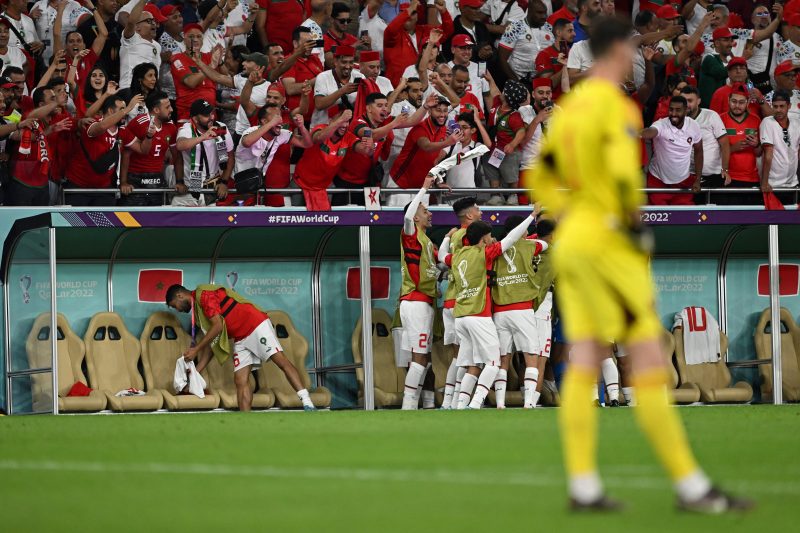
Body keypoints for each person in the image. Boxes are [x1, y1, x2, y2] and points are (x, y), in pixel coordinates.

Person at [531, 15, 750, 512]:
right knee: (646, 358)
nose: (635, 58)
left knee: (585, 359)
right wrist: (625, 226)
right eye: (631, 51)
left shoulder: (568, 110)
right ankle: (691, 487)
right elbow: (622, 183)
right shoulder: (615, 108)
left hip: (577, 244)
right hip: (610, 247)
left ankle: (584, 486)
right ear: (615, 53)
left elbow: (543, 179)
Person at [439, 205, 540, 410]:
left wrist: (447, 238)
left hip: (460, 317)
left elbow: (441, 255)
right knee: (493, 363)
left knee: (472, 364)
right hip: (479, 315)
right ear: (483, 238)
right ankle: (475, 403)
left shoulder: (457, 255)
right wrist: (531, 216)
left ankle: (460, 405)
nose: (491, 238)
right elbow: (512, 239)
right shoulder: (485, 253)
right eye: (489, 235)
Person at [165, 284, 317, 412]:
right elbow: (213, 344)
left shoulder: (204, 295)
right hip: (241, 337)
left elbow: (217, 326)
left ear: (179, 295)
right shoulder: (198, 314)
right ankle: (245, 419)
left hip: (255, 324)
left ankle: (307, 401)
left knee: (280, 361)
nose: (178, 310)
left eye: (175, 306)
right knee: (240, 380)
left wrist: (196, 349)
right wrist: (196, 371)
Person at [490, 212, 548, 410]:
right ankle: (529, 403)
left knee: (503, 359)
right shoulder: (531, 246)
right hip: (522, 309)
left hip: (499, 311)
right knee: (531, 355)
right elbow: (547, 244)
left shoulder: (495, 248)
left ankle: (499, 404)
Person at [397, 175, 440, 409]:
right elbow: (406, 216)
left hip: (425, 302)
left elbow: (438, 267)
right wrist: (423, 187)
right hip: (414, 302)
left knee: (423, 357)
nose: (430, 214)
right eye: (425, 211)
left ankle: (417, 404)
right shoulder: (411, 235)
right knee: (419, 357)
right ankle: (408, 405)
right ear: (415, 217)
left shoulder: (426, 242)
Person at [439, 196, 482, 409]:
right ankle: (458, 401)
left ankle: (451, 401)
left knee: (459, 355)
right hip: (463, 301)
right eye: (477, 209)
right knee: (467, 356)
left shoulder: (455, 235)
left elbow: (443, 258)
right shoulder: (468, 236)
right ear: (469, 215)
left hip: (451, 300)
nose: (481, 212)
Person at [64, 93, 142, 206]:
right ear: (110, 111)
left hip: (104, 190)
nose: (125, 113)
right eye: (121, 109)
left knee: (104, 224)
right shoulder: (92, 122)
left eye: (124, 109)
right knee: (77, 224)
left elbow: (142, 149)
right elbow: (101, 127)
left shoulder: (123, 131)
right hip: (78, 187)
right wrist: (128, 108)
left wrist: (149, 134)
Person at [387, 96, 462, 206]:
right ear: (430, 111)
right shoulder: (420, 127)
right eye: (438, 110)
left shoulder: (443, 130)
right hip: (401, 184)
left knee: (421, 221)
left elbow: (434, 161)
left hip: (422, 186)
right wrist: (448, 142)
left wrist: (438, 182)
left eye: (445, 111)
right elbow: (426, 146)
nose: (442, 115)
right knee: (398, 222)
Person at [234, 104, 312, 204]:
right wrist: (271, 124)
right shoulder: (252, 131)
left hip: (258, 184)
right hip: (239, 184)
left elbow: (307, 144)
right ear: (264, 121)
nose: (280, 120)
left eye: (280, 116)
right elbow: (247, 142)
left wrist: (301, 127)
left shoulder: (281, 134)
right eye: (276, 117)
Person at [294, 109, 371, 210]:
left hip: (324, 188)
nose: (344, 125)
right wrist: (341, 119)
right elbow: (319, 138)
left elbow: (364, 151)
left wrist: (368, 144)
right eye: (341, 120)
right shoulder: (320, 128)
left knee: (324, 221)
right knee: (295, 218)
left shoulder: (348, 137)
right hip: (300, 183)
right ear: (330, 121)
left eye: (347, 121)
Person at [119, 91, 180, 206]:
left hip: (158, 178)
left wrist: (180, 181)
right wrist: (123, 182)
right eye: (167, 107)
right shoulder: (138, 123)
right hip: (135, 179)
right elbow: (126, 153)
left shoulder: (171, 126)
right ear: (156, 110)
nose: (171, 110)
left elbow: (176, 156)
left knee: (158, 219)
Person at [641, 95, 704, 205]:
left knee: (684, 219)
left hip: (683, 182)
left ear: (686, 110)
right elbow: (651, 131)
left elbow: (699, 151)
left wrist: (698, 179)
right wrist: (640, 133)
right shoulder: (661, 124)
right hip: (658, 180)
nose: (673, 113)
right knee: (659, 220)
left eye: (678, 110)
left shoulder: (694, 126)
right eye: (671, 109)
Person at [175, 98, 232, 206]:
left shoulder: (221, 128)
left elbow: (230, 156)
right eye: (206, 115)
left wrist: (224, 182)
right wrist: (203, 137)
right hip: (191, 189)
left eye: (212, 113)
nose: (211, 117)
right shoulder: (186, 129)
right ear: (195, 119)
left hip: (213, 189)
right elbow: (180, 145)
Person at [680, 85, 730, 205]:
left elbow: (725, 144)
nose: (686, 104)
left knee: (715, 215)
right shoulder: (676, 119)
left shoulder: (711, 116)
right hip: (689, 176)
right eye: (683, 101)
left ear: (699, 101)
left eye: (690, 101)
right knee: (692, 214)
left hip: (713, 176)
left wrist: (725, 169)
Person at [383, 0, 453, 85]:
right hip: (398, 88)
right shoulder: (392, 34)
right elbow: (391, 28)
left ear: (418, 16)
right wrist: (411, 8)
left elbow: (447, 31)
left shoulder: (426, 31)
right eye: (404, 13)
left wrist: (443, 12)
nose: (408, 16)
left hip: (424, 86)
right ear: (398, 16)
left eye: (413, 13)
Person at [720, 85, 763, 205]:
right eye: (734, 101)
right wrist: (733, 148)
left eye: (741, 102)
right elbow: (713, 151)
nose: (737, 106)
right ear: (728, 100)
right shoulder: (720, 119)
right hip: (728, 177)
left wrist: (756, 145)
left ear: (748, 102)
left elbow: (759, 153)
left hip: (751, 178)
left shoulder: (756, 120)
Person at [759, 90, 800, 206]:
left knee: (791, 222)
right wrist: (765, 182)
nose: (778, 110)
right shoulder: (767, 122)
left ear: (789, 106)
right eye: (775, 106)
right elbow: (768, 154)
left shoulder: (797, 123)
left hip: (793, 183)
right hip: (772, 185)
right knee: (773, 222)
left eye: (782, 106)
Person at [170, 23, 217, 122]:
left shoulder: (209, 57)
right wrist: (210, 67)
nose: (195, 39)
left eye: (199, 36)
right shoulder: (178, 59)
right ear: (184, 39)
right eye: (191, 36)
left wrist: (220, 61)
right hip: (189, 116)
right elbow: (190, 82)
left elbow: (224, 76)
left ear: (202, 40)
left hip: (210, 115)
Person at [312, 45, 364, 128]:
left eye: (351, 62)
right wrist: (342, 91)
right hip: (323, 127)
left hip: (348, 128)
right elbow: (319, 104)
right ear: (335, 61)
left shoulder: (359, 76)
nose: (348, 66)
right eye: (344, 62)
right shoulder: (323, 77)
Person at [120, 0, 162, 90]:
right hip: (130, 89)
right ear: (137, 27)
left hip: (151, 92)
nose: (153, 23)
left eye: (153, 20)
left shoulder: (158, 46)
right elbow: (131, 22)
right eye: (148, 21)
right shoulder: (132, 39)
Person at [534, 18, 575, 101]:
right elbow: (548, 85)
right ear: (558, 32)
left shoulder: (574, 53)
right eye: (570, 31)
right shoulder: (545, 54)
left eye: (573, 31)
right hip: (554, 103)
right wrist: (565, 66)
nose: (574, 34)